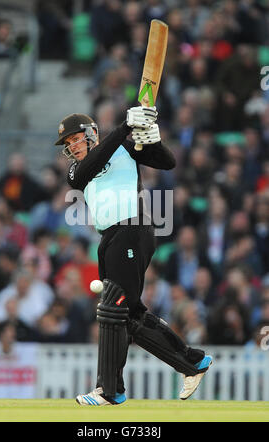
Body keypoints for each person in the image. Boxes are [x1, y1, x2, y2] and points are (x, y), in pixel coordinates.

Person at [54, 107, 212, 406]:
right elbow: (90, 166)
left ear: (91, 133)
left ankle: (109, 390)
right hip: (109, 236)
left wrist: (152, 140)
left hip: (132, 226)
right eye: (68, 144)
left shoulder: (124, 147)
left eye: (75, 139)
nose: (72, 146)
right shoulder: (76, 169)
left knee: (114, 308)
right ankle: (193, 362)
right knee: (129, 314)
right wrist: (126, 125)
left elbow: (168, 162)